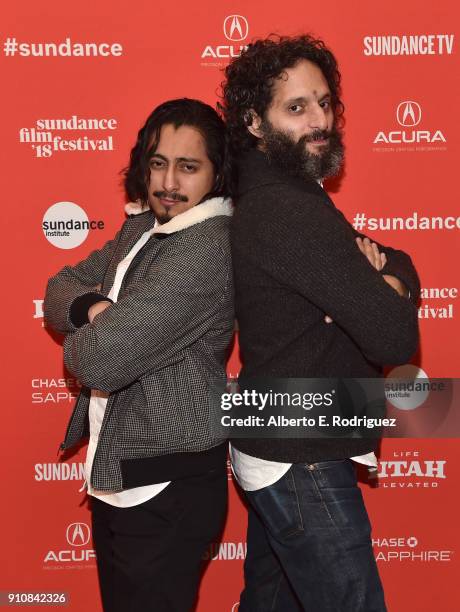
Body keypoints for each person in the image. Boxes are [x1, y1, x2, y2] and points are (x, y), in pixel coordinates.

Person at [221, 35, 420, 611]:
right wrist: (384, 287)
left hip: (281, 438)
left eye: (325, 102)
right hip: (299, 450)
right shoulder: (286, 208)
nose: (319, 120)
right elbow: (393, 335)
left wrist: (390, 279)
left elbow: (393, 259)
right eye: (297, 107)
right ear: (254, 122)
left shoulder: (287, 193)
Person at [44, 98, 234, 612]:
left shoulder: (206, 245)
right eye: (158, 163)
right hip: (120, 473)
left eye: (188, 166)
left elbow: (98, 361)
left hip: (166, 483)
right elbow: (59, 287)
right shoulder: (142, 228)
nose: (168, 182)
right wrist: (100, 307)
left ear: (217, 175)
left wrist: (94, 324)